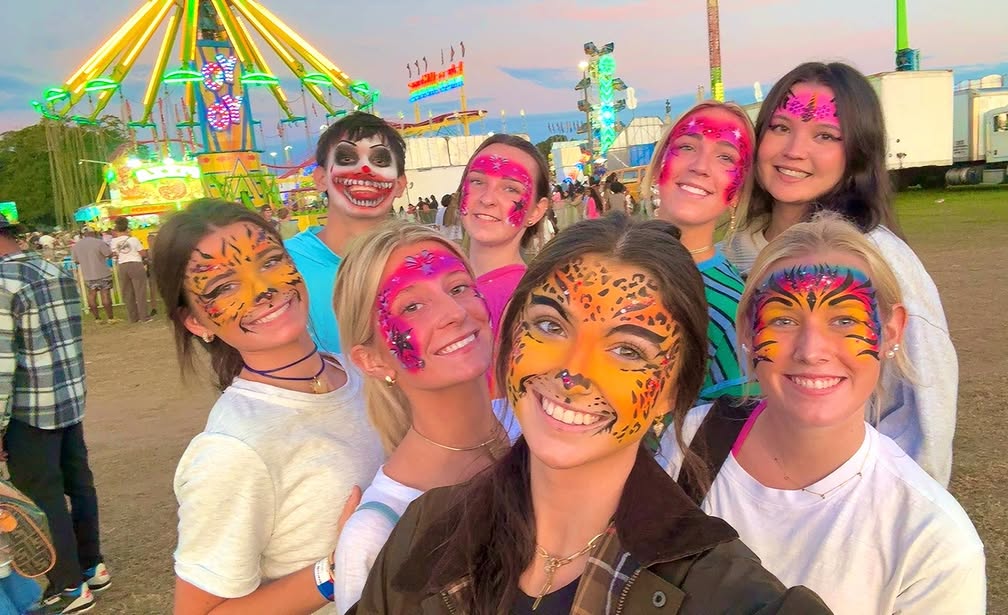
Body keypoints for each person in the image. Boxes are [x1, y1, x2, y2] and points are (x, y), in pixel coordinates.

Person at [350, 213, 829, 615]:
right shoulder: (423, 532)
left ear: (671, 391)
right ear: (512, 335)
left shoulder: (727, 596)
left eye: (627, 350)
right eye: (550, 325)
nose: (573, 373)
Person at [660, 213, 985, 614]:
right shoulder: (689, 443)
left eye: (844, 320)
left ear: (891, 331)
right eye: (783, 319)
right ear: (747, 331)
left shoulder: (933, 544)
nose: (812, 351)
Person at [722, 61, 958, 485]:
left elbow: (927, 406)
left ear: (857, 152)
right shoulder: (733, 252)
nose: (794, 150)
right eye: (780, 127)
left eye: (825, 136)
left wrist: (886, 502)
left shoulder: (876, 258)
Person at [154, 199, 384, 614]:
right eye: (224, 286)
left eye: (271, 261)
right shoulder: (233, 449)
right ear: (196, 322)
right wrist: (334, 570)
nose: (262, 289)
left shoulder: (364, 371)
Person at [332, 222, 517, 613]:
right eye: (412, 306)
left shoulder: (539, 430)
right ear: (371, 360)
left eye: (458, 288)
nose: (454, 312)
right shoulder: (378, 533)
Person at [0, 213, 108, 614]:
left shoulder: (3, 282)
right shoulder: (52, 270)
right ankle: (92, 565)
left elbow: (2, 364)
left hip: (28, 411)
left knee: (41, 498)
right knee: (79, 485)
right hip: (67, 401)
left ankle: (69, 586)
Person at [642, 100, 756, 402]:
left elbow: (731, 423)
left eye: (725, 157)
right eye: (687, 147)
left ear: (739, 190)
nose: (700, 166)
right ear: (660, 164)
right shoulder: (599, 260)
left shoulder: (734, 313)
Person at [285, 111, 408, 353]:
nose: (365, 169)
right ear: (321, 179)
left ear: (399, 184)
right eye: (347, 158)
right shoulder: (284, 264)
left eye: (380, 161)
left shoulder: (423, 259)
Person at [458, 134, 551, 335]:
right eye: (477, 181)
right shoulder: (437, 283)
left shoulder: (530, 304)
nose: (487, 199)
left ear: (536, 211)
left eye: (510, 189)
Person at [109, 216, 151, 323]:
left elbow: (114, 255)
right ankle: (144, 316)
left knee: (127, 292)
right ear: (127, 227)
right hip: (135, 264)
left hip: (122, 265)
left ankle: (133, 317)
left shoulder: (113, 242)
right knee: (140, 291)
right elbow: (143, 253)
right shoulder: (133, 240)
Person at [70, 228, 117, 324]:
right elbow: (108, 254)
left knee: (92, 295)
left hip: (88, 274)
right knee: (105, 294)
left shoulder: (76, 246)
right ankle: (110, 318)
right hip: (103, 272)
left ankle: (97, 318)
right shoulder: (99, 242)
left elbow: (76, 261)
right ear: (93, 233)